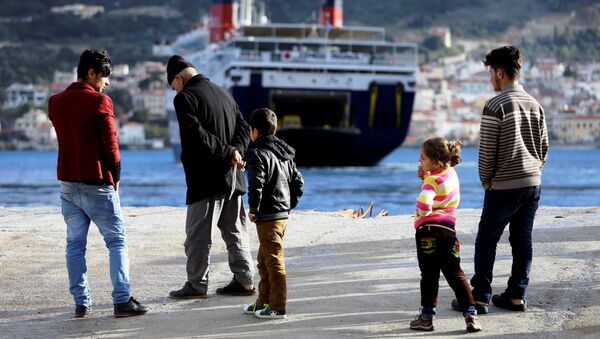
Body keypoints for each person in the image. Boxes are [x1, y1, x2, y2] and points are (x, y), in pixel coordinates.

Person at [48, 49, 147, 318]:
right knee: (116, 241)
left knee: (75, 244)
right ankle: (122, 300)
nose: (106, 83)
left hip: (67, 184)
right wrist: (116, 177)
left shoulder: (55, 102)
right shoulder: (100, 102)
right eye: (104, 76)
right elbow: (111, 147)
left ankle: (82, 302)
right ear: (91, 73)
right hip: (96, 182)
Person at [454, 46, 549, 313]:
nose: (490, 79)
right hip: (532, 183)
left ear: (499, 72)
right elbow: (544, 148)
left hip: (503, 185)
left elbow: (487, 152)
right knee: (523, 241)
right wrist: (533, 171)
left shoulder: (495, 105)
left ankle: (480, 296)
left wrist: (487, 181)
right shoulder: (536, 104)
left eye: (490, 73)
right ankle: (516, 296)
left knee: (487, 239)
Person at [166, 55, 255, 299]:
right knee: (235, 231)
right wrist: (236, 151)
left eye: (172, 85)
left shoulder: (184, 98)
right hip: (233, 177)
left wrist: (229, 153)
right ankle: (245, 280)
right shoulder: (224, 92)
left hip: (204, 178)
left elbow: (196, 136)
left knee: (198, 236)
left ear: (179, 78)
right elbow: (244, 128)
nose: (174, 90)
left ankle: (196, 285)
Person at [409, 137, 482, 332]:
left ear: (434, 161)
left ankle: (426, 317)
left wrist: (423, 212)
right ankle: (471, 314)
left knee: (429, 275)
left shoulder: (431, 181)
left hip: (428, 233)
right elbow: (442, 188)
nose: (419, 162)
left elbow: (425, 204)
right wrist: (425, 176)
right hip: (449, 232)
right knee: (455, 272)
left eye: (422, 158)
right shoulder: (451, 174)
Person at [242, 108, 304, 319]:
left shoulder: (257, 153)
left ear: (255, 131)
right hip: (281, 215)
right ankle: (262, 302)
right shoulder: (284, 153)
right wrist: (288, 205)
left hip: (268, 216)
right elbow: (298, 182)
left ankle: (278, 307)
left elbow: (255, 184)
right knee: (264, 260)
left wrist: (254, 210)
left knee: (274, 262)